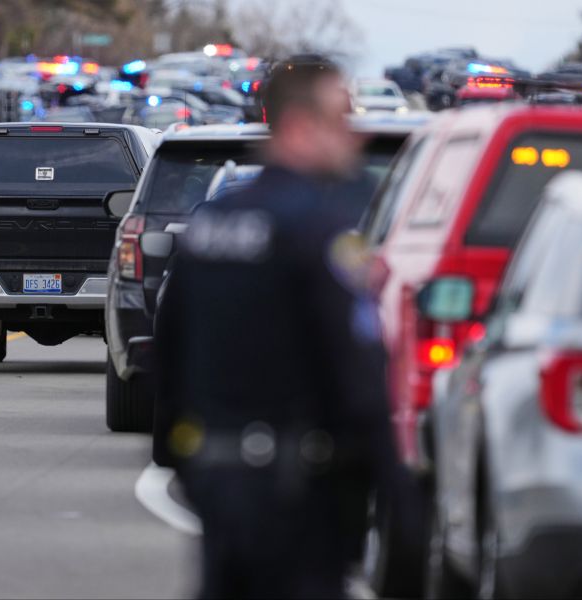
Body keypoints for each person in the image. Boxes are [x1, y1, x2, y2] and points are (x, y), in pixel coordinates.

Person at [154, 56, 418, 599]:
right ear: (301, 127)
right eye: (341, 119)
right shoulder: (320, 232)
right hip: (299, 496)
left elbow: (169, 353)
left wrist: (183, 464)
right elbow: (361, 376)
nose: (352, 137)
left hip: (219, 484)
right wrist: (402, 507)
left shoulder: (211, 226)